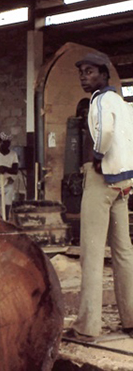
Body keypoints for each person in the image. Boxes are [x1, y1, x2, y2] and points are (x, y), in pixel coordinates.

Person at [69, 51, 133, 342]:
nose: (84, 77)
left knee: (92, 254)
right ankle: (130, 319)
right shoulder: (122, 102)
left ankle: (87, 326)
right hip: (123, 182)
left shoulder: (100, 100)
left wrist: (97, 155)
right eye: (81, 72)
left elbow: (105, 132)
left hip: (101, 178)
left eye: (90, 71)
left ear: (105, 74)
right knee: (123, 252)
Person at [0, 132, 19, 219]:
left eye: (8, 143)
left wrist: (5, 168)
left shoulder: (13, 154)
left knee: (7, 207)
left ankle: (6, 221)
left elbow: (15, 171)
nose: (6, 145)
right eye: (4, 142)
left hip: (8, 185)